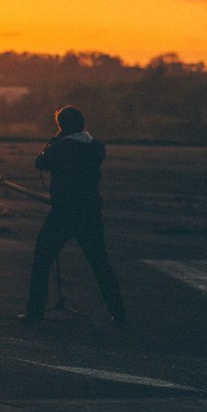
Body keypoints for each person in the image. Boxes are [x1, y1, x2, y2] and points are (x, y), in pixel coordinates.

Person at [20, 105, 125, 325]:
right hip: (90, 213)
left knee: (42, 260)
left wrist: (53, 140)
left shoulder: (60, 148)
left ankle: (34, 312)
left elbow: (40, 162)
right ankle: (119, 313)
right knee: (100, 264)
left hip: (64, 213)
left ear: (61, 127)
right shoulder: (97, 147)